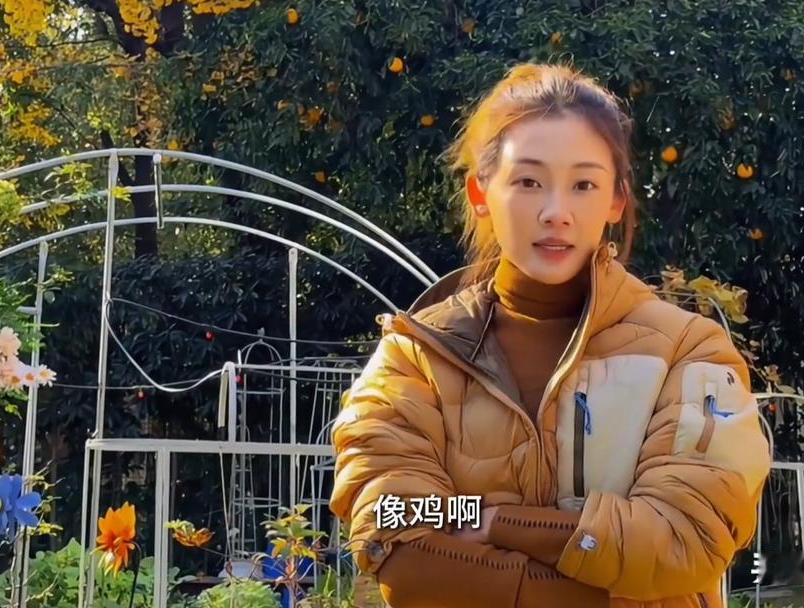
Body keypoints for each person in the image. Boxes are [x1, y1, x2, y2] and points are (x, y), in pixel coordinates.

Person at [329, 63, 772, 608]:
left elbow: (686, 539)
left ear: (616, 200)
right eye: (528, 182)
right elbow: (395, 530)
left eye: (584, 185)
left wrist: (496, 522)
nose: (556, 213)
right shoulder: (415, 355)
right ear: (481, 192)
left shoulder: (688, 351)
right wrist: (608, 576)